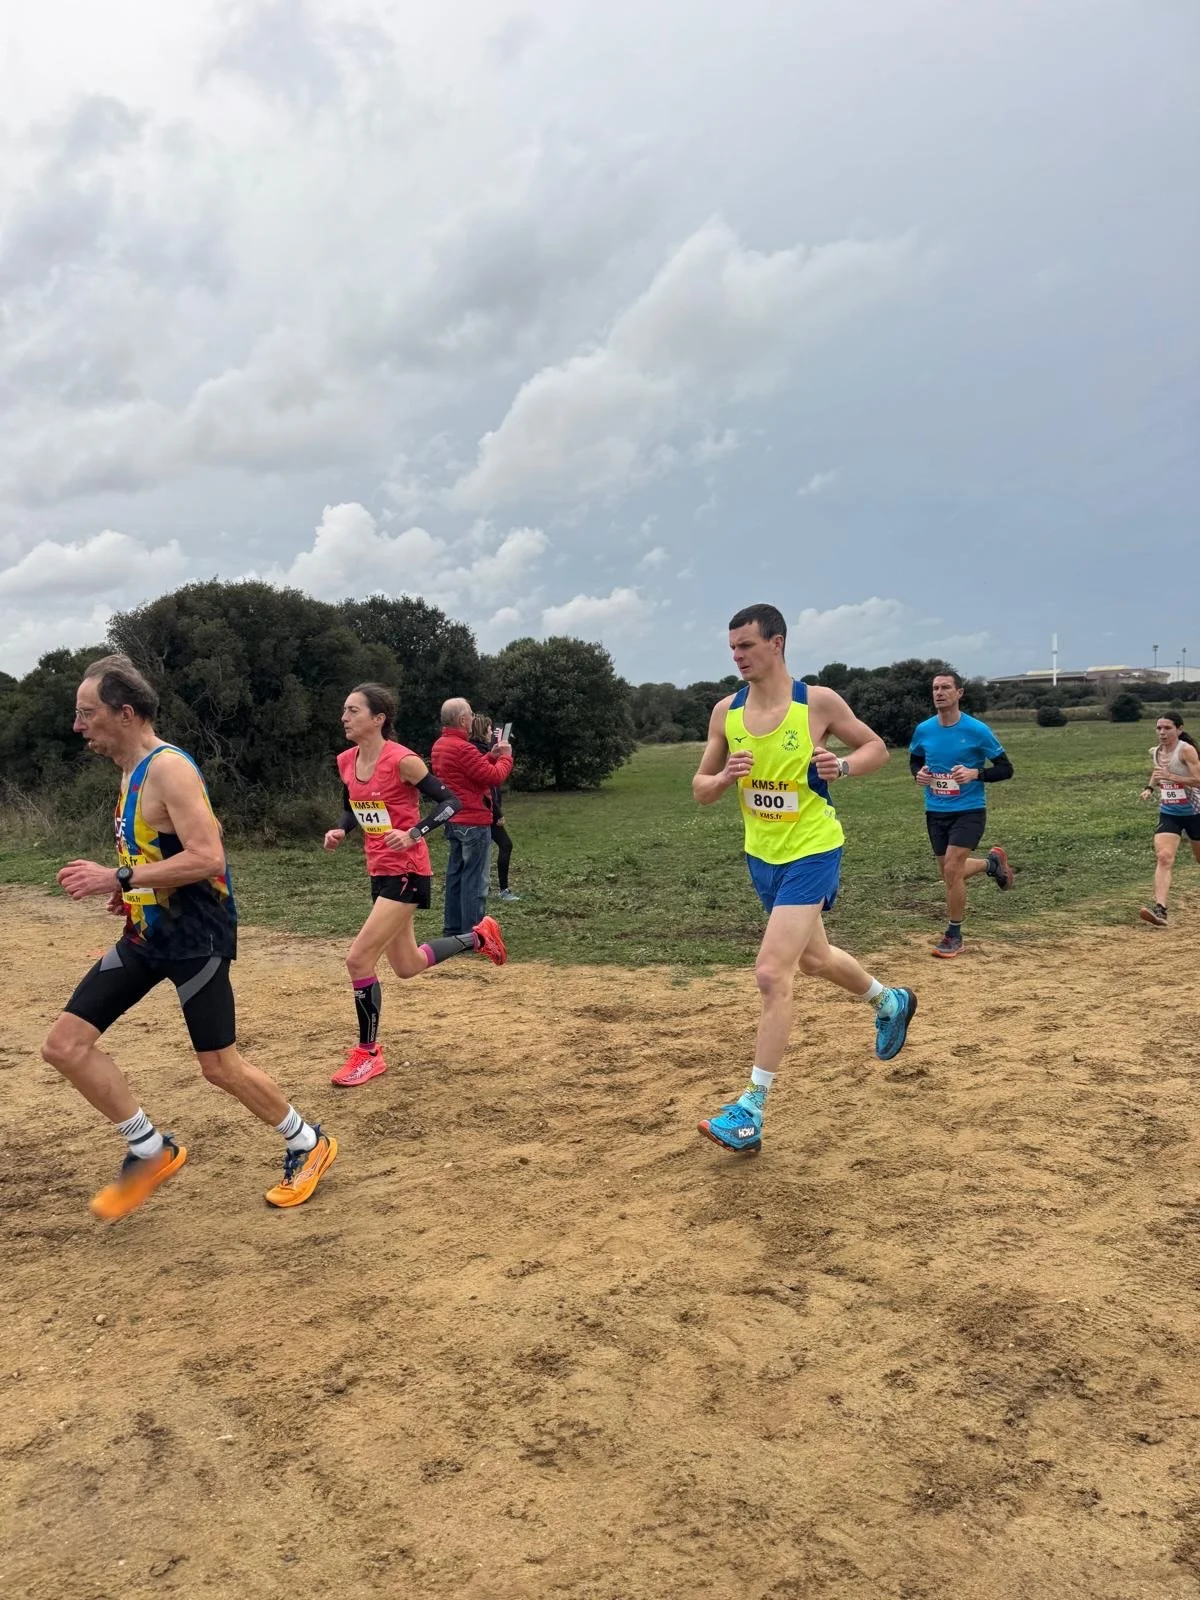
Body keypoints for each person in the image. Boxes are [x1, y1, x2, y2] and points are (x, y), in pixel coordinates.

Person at [41, 654, 336, 1219]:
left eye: (86, 714)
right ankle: (150, 1148)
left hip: (197, 937)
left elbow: (209, 856)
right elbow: (163, 850)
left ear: (124, 713)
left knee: (218, 1066)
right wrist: (127, 888)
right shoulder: (130, 771)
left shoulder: (169, 768)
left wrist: (119, 876)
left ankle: (308, 1141)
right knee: (64, 1046)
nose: (79, 726)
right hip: (148, 933)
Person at [692, 604, 917, 1155]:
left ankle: (750, 1110)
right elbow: (700, 788)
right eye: (732, 648)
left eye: (746, 645)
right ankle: (889, 1001)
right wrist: (723, 777)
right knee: (814, 959)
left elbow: (876, 748)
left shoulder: (816, 702)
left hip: (814, 850)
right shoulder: (726, 712)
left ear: (777, 643)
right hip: (761, 857)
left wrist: (844, 767)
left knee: (772, 974)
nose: (738, 656)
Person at [323, 684, 508, 1087]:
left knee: (358, 960)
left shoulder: (402, 760)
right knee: (406, 965)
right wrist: (339, 830)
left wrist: (414, 832)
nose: (344, 718)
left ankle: (368, 1055)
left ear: (378, 719)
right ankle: (478, 937)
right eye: (344, 710)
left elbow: (450, 803)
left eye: (353, 711)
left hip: (408, 870)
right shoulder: (346, 761)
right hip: (379, 869)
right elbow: (353, 806)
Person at [909, 670, 1015, 958]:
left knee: (953, 870)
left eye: (945, 687)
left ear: (959, 693)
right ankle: (992, 864)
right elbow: (916, 758)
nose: (939, 693)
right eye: (935, 688)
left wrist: (975, 773)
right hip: (935, 810)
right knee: (948, 872)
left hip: (969, 810)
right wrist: (918, 774)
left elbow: (1006, 769)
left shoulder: (977, 730)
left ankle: (953, 935)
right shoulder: (925, 730)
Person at [431, 698, 513, 936]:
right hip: (473, 820)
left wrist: (490, 756)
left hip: (454, 818)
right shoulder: (463, 747)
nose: (473, 718)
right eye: (471, 714)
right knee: (475, 880)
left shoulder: (441, 745)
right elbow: (493, 777)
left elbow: (469, 773)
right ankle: (472, 935)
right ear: (462, 720)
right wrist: (506, 757)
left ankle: (453, 930)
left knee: (455, 876)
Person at [1138, 711, 1200, 927]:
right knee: (1164, 857)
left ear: (1179, 730)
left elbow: (1199, 781)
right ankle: (1160, 910)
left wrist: (1173, 777)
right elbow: (1157, 773)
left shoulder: (1186, 751)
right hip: (1170, 812)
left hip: (1196, 813)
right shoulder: (1156, 752)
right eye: (1159, 728)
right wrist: (1149, 788)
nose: (1162, 732)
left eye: (1167, 728)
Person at [470, 712, 519, 903]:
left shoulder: (482, 750)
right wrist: (497, 813)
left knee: (484, 850)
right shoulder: (477, 753)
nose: (492, 732)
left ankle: (485, 887)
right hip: (485, 810)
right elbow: (487, 786)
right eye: (490, 729)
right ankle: (502, 890)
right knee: (505, 844)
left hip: (486, 809)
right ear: (483, 730)